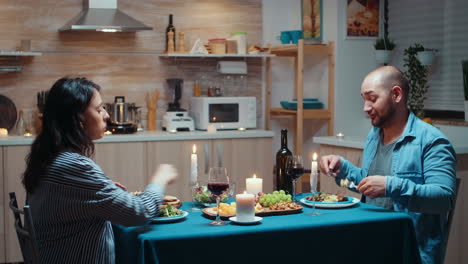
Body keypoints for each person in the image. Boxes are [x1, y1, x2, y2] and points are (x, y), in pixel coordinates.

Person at [23, 77, 178, 264]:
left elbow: (67, 201)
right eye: (98, 109)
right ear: (77, 118)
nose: (106, 115)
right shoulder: (74, 166)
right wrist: (159, 180)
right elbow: (139, 212)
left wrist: (102, 191)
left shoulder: (52, 157)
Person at [319, 66, 457, 264]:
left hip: (410, 253)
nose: (365, 108)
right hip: (372, 244)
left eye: (372, 99)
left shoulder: (432, 141)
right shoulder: (374, 136)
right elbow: (372, 185)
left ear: (396, 94)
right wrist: (343, 168)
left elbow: (444, 199)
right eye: (363, 99)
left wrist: (392, 186)